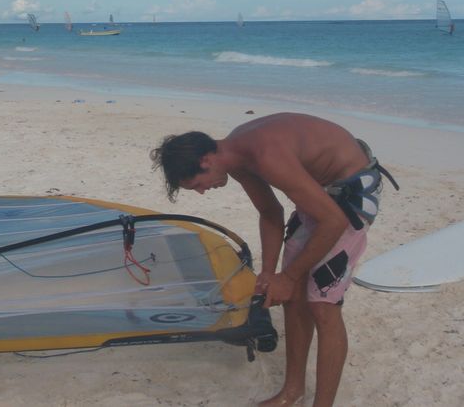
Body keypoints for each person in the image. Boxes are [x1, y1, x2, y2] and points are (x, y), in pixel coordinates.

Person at [150, 113, 398, 407]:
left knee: (323, 305)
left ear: (205, 160)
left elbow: (332, 221)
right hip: (319, 198)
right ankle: (291, 392)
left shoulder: (265, 155)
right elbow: (270, 213)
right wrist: (269, 274)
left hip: (350, 195)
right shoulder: (235, 156)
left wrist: (289, 276)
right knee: (292, 297)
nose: (203, 191)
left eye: (197, 185)